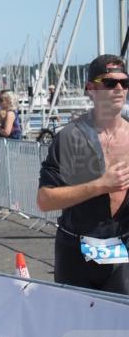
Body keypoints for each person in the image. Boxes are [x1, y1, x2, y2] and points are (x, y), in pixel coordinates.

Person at [37, 55, 129, 295]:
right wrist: (101, 185)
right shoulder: (70, 137)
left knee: (120, 327)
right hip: (77, 251)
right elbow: (45, 200)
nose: (119, 89)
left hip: (122, 250)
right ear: (91, 88)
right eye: (110, 83)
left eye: (125, 83)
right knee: (76, 329)